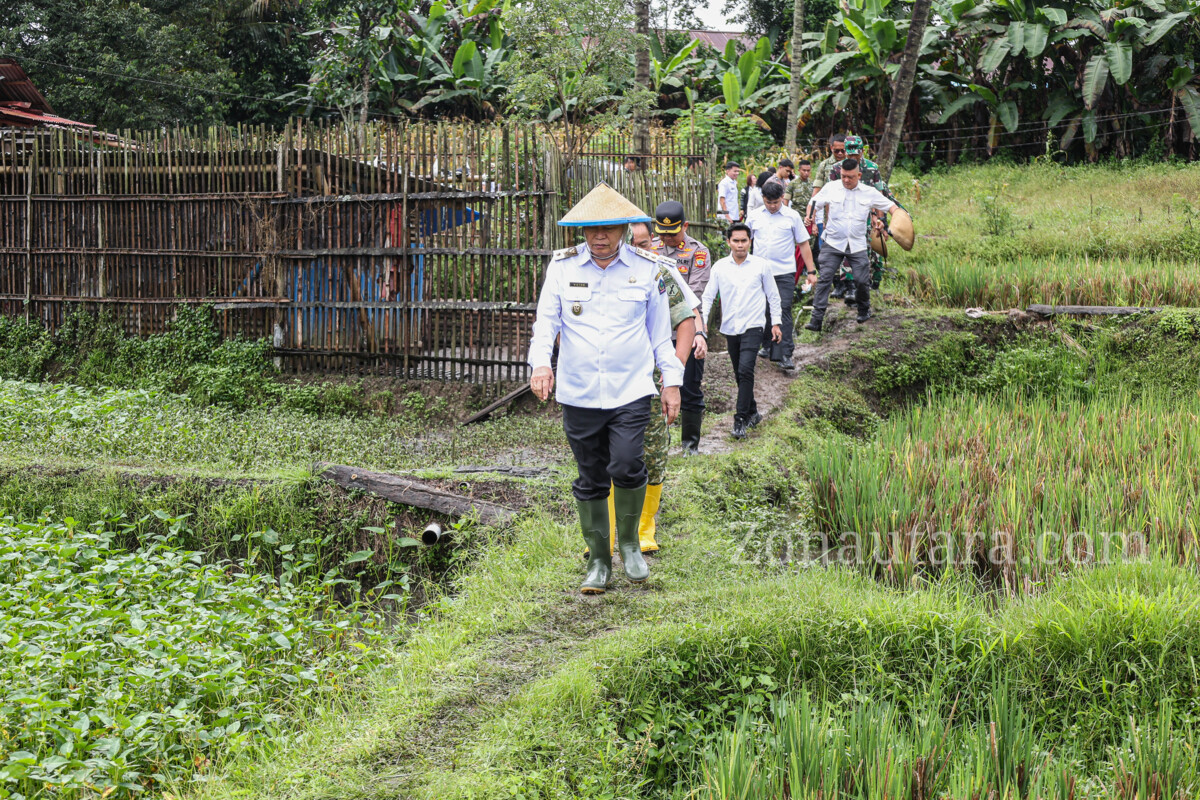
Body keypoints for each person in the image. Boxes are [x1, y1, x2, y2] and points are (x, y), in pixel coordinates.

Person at [529, 183, 684, 594]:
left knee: (628, 463)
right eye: (592, 229)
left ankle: (630, 544)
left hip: (631, 389)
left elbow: (660, 335)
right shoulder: (561, 268)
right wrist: (541, 363)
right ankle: (599, 560)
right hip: (579, 392)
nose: (601, 236)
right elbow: (547, 323)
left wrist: (671, 383)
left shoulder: (648, 268)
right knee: (591, 476)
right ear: (581, 232)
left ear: (623, 228)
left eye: (610, 228)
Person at [619, 219, 702, 553]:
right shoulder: (600, 271)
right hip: (611, 377)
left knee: (652, 449)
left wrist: (674, 375)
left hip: (652, 376)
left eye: (646, 241)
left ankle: (644, 527)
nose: (645, 249)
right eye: (637, 244)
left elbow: (686, 319)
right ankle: (611, 527)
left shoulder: (660, 271)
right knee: (608, 454)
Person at [701, 223, 782, 440]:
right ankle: (753, 412)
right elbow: (708, 296)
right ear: (728, 242)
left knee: (746, 370)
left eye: (743, 241)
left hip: (754, 325)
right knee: (740, 372)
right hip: (730, 327)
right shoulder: (719, 267)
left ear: (750, 241)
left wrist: (775, 323)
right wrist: (702, 321)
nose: (739, 245)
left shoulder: (761, 266)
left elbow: (773, 295)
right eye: (735, 241)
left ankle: (740, 419)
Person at [805, 160, 900, 329]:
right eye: (843, 176)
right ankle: (816, 319)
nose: (846, 180)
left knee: (862, 280)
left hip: (857, 244)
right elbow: (814, 203)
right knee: (825, 278)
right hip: (833, 242)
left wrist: (889, 223)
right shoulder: (831, 187)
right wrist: (809, 217)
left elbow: (891, 207)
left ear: (859, 175)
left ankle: (864, 310)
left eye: (850, 177)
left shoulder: (868, 192)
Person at [650, 200, 711, 457]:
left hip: (686, 327)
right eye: (662, 233)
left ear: (684, 226)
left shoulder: (698, 252)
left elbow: (693, 294)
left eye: (672, 232)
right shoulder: (649, 248)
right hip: (654, 330)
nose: (667, 238)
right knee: (653, 388)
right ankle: (656, 444)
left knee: (689, 387)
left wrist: (698, 333)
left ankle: (690, 445)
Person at [745, 180, 815, 371]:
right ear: (763, 199)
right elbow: (745, 242)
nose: (772, 206)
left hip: (784, 272)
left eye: (775, 202)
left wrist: (811, 271)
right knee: (765, 310)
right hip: (759, 272)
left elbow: (803, 244)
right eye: (768, 202)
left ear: (782, 198)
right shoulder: (754, 217)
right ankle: (768, 346)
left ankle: (785, 353)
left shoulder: (792, 217)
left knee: (783, 309)